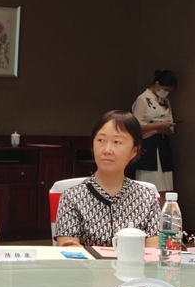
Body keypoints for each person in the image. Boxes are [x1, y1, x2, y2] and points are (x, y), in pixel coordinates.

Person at [55, 110, 160, 247]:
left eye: (117, 142)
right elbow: (68, 252)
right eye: (101, 140)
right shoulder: (72, 197)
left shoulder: (147, 198)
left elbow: (153, 252)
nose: (107, 150)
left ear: (134, 150)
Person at [132, 70, 177, 201]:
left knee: (165, 187)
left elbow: (170, 127)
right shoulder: (143, 99)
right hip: (148, 144)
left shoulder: (165, 101)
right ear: (157, 84)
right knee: (149, 186)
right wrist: (159, 125)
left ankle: (163, 212)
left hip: (162, 143)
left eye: (169, 90)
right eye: (165, 89)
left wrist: (155, 130)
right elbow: (136, 124)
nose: (166, 92)